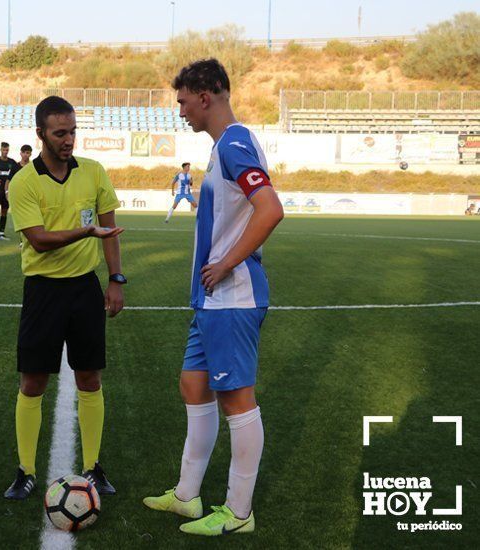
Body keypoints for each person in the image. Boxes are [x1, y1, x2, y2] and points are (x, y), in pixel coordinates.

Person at [142, 58, 284, 537]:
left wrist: (227, 264)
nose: (180, 110)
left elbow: (270, 209)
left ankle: (238, 512)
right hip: (211, 300)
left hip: (232, 296)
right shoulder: (225, 145)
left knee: (237, 400)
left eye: (182, 100)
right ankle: (187, 497)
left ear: (206, 96)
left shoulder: (236, 142)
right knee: (192, 384)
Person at [4, 96, 126, 500]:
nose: (69, 139)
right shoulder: (23, 181)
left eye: (73, 131)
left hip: (84, 288)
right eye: (60, 132)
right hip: (42, 291)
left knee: (90, 378)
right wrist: (85, 234)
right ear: (40, 134)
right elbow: (38, 242)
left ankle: (93, 467)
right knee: (33, 380)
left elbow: (109, 228)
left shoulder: (93, 172)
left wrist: (116, 279)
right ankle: (25, 470)